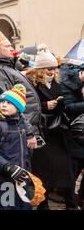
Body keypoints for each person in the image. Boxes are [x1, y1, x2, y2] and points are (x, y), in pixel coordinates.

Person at [26, 44, 77, 209]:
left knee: (65, 170)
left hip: (59, 132)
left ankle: (71, 203)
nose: (52, 72)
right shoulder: (32, 85)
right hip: (43, 132)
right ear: (40, 69)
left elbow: (68, 105)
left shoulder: (58, 84)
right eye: (48, 68)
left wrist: (61, 103)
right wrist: (44, 105)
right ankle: (43, 204)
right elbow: (28, 106)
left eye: (54, 68)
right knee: (44, 173)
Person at [0, 31, 40, 150]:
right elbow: (10, 103)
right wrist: (29, 132)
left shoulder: (5, 66)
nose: (12, 49)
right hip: (19, 130)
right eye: (7, 46)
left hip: (25, 126)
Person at [0, 84, 32, 210]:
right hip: (4, 179)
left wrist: (26, 170)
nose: (3, 105)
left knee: (25, 206)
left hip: (21, 177)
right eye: (2, 102)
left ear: (19, 107)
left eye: (9, 103)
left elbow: (24, 151)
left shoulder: (21, 125)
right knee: (7, 206)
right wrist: (8, 167)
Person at [60, 59, 84, 208]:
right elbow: (67, 108)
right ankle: (70, 201)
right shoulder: (67, 81)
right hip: (74, 132)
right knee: (73, 170)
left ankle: (79, 199)